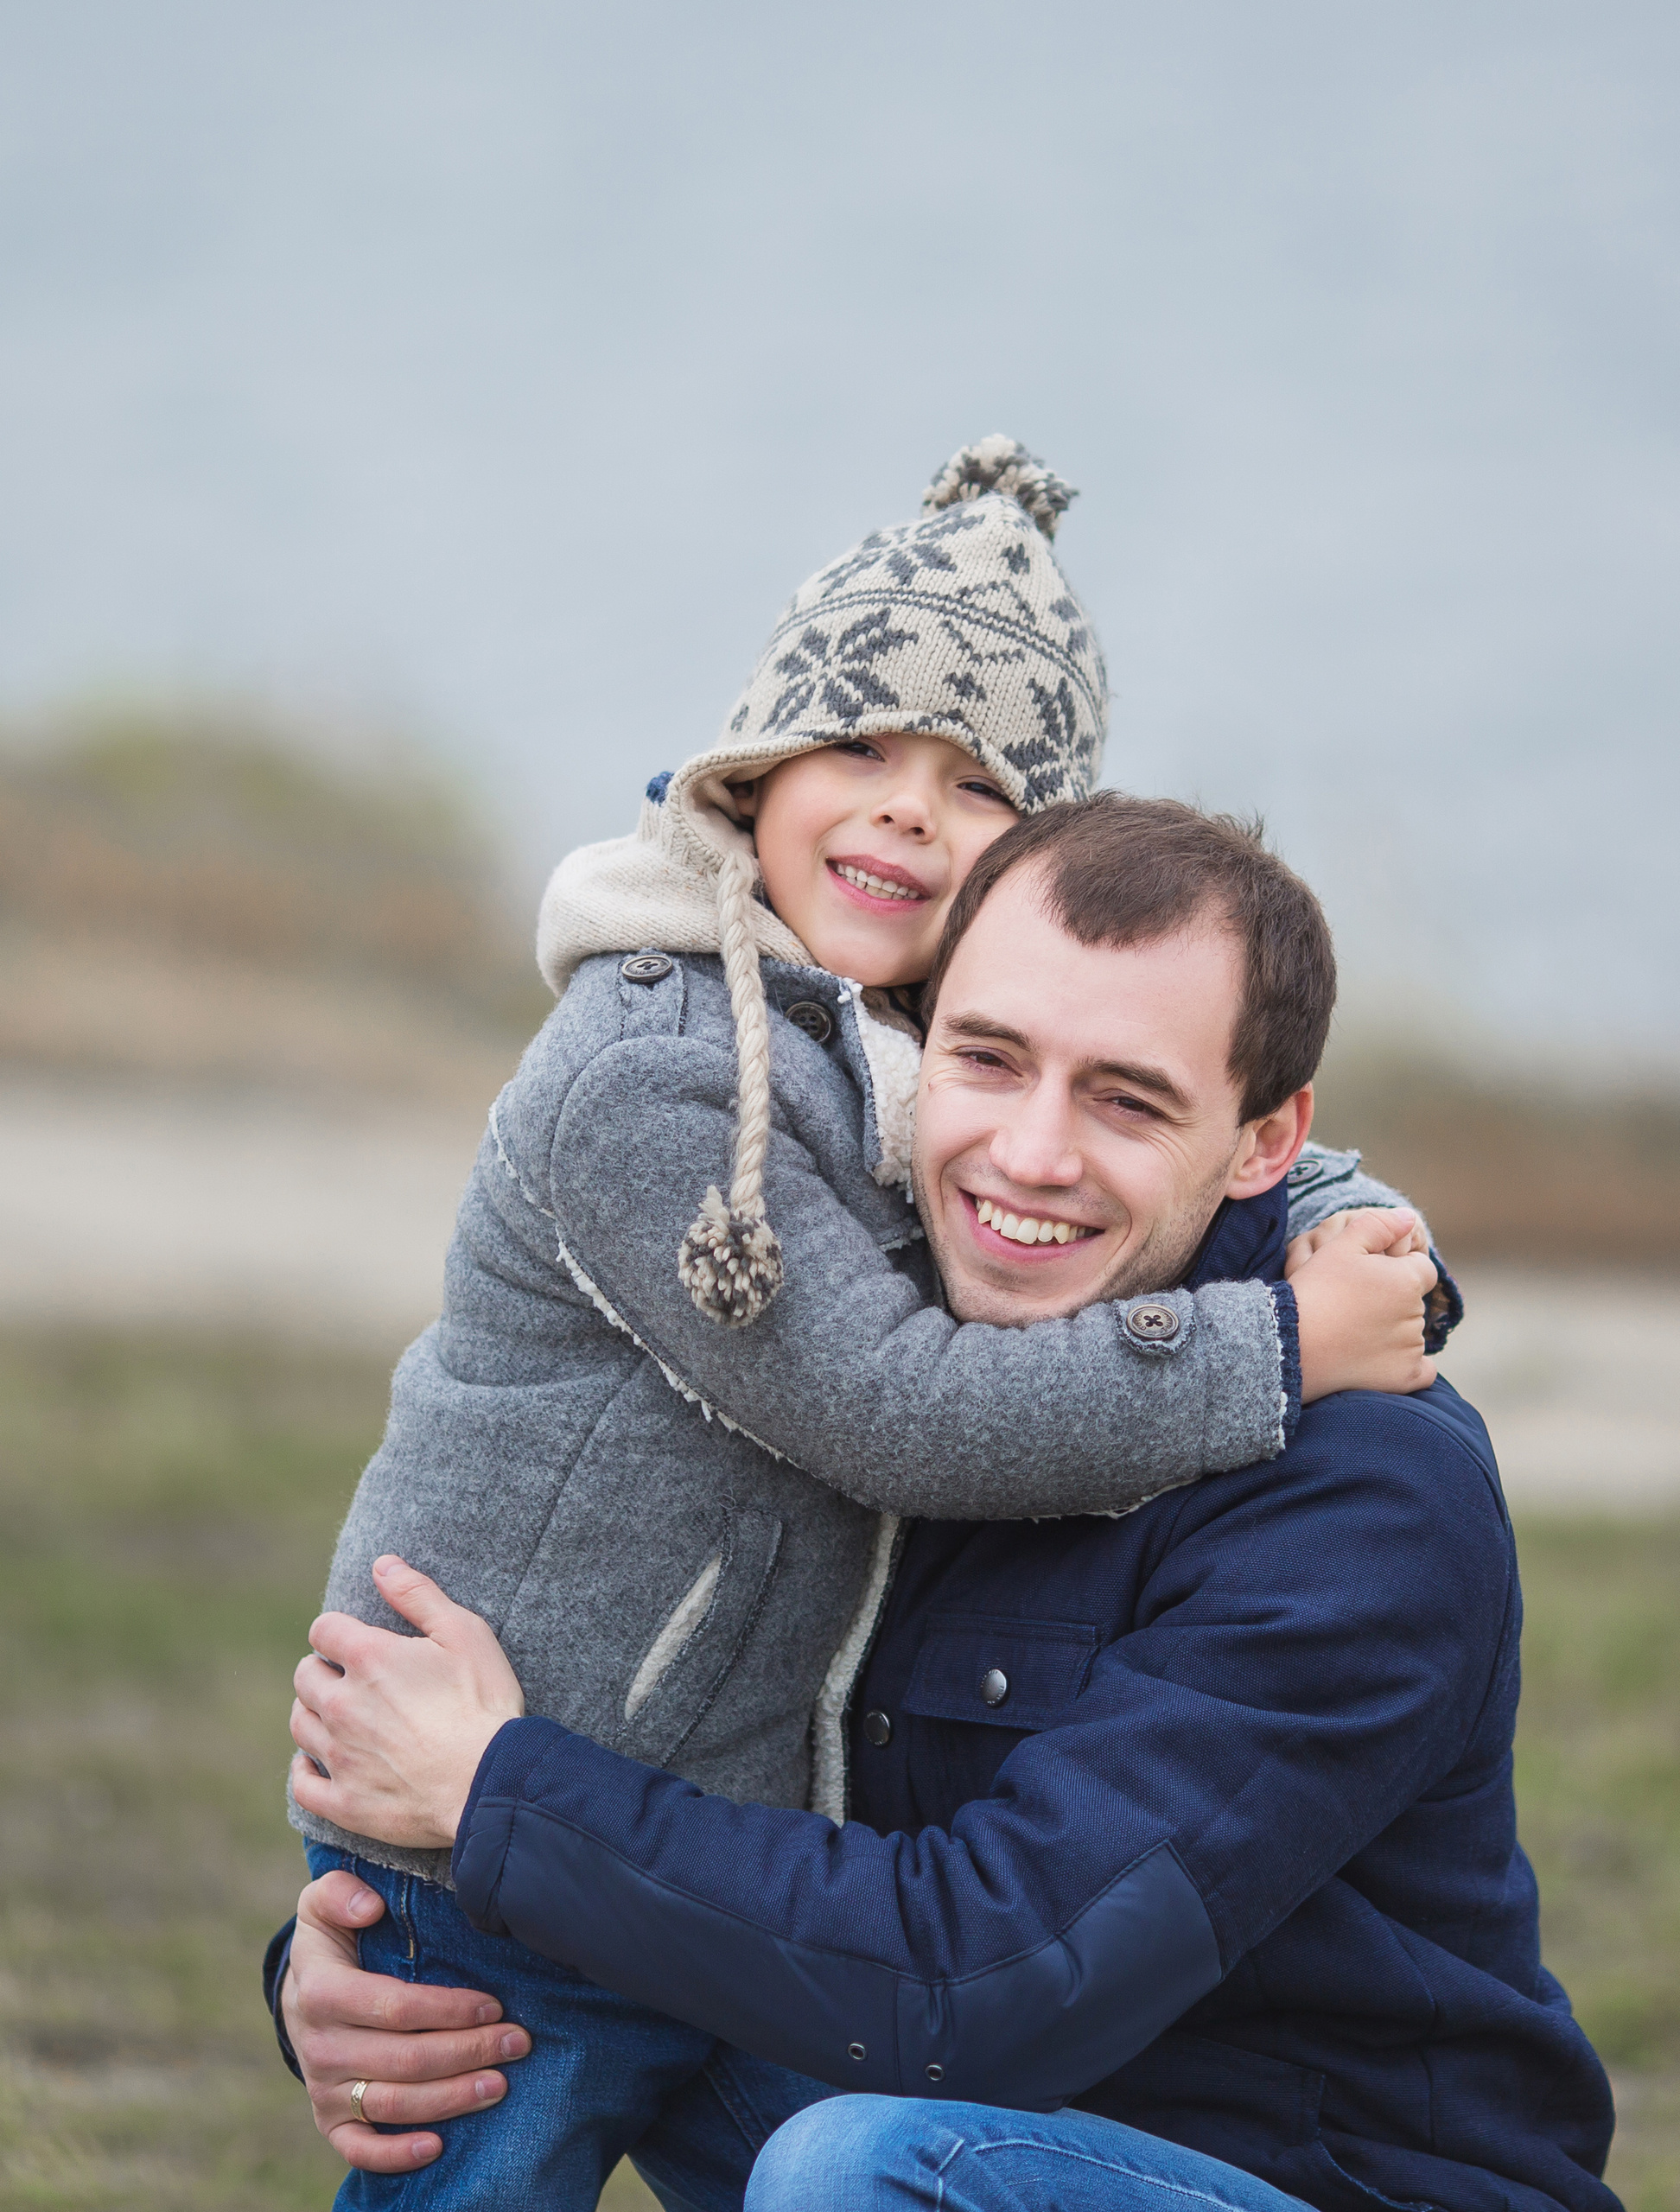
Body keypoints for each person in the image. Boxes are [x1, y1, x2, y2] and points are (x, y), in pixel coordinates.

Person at [284, 446, 1447, 2205]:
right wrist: (340, 1944)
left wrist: (1366, 1247)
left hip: (702, 1880)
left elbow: (959, 1977)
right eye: (855, 746)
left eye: (973, 782)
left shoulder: (914, 1095)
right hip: (519, 1837)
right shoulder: (661, 1077)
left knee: (842, 2163)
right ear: (750, 773)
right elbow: (893, 1407)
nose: (905, 808)